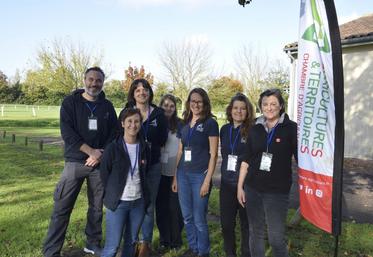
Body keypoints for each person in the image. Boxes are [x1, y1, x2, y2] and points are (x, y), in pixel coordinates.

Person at [43, 67, 118, 257]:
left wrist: (99, 154)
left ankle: (92, 243)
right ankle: (51, 251)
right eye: (91, 79)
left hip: (99, 165)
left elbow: (114, 134)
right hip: (75, 163)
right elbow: (67, 133)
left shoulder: (107, 106)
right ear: (84, 80)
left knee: (96, 209)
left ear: (103, 82)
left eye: (98, 80)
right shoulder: (70, 103)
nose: (94, 83)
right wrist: (90, 151)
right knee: (62, 208)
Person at [237, 88, 297, 257]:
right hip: (253, 189)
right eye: (265, 104)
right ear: (260, 106)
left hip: (277, 192)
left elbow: (302, 159)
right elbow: (246, 159)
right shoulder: (255, 127)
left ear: (281, 106)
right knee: (255, 233)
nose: (269, 107)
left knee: (276, 239)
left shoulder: (291, 129)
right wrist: (240, 187)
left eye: (273, 104)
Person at [172, 88, 219, 257]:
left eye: (199, 101)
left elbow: (213, 155)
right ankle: (193, 248)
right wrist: (175, 176)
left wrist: (207, 180)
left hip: (200, 176)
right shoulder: (184, 123)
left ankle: (203, 252)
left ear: (205, 103)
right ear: (188, 103)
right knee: (187, 217)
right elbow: (180, 151)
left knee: (199, 219)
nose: (196, 104)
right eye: (193, 101)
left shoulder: (210, 123)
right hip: (183, 175)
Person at [124, 78, 168, 257]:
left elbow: (163, 138)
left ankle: (145, 244)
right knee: (132, 203)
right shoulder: (127, 113)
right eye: (138, 90)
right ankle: (131, 241)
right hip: (132, 166)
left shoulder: (158, 114)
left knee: (149, 205)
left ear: (150, 92)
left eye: (145, 89)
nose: (142, 92)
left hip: (153, 167)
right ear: (133, 94)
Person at [100, 108, 150, 257]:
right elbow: (104, 174)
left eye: (136, 121)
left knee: (131, 242)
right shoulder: (113, 148)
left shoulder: (144, 147)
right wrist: (113, 193)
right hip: (118, 203)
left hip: (138, 203)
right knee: (112, 246)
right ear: (122, 123)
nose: (133, 125)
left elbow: (145, 172)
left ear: (140, 124)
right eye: (129, 121)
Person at [220, 93, 254, 257]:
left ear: (248, 111)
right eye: (235, 108)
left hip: (245, 186)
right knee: (226, 224)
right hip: (226, 184)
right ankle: (230, 253)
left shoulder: (253, 130)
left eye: (242, 108)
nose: (239, 111)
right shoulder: (224, 130)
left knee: (246, 225)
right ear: (230, 110)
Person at [155, 94, 184, 251]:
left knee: (175, 209)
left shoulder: (180, 125)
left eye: (171, 106)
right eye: (165, 105)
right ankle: (164, 239)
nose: (168, 108)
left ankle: (176, 241)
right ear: (160, 106)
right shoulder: (156, 123)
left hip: (175, 173)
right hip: (159, 172)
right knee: (161, 208)